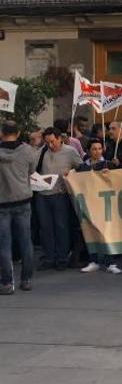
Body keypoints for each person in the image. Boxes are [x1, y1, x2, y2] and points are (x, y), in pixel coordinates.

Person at [34, 127, 82, 271]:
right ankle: (49, 257)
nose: (51, 145)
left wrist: (71, 173)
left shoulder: (70, 152)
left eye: (53, 142)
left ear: (60, 138)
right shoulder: (43, 151)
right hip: (43, 194)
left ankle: (62, 258)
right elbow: (32, 167)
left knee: (61, 227)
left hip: (60, 194)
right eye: (48, 142)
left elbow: (80, 167)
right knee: (45, 228)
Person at [76, 139, 122, 275]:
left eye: (99, 148)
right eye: (94, 149)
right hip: (89, 203)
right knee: (91, 232)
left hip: (106, 204)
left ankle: (110, 262)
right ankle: (94, 261)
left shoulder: (108, 164)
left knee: (107, 233)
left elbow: (119, 180)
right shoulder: (83, 167)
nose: (97, 151)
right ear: (88, 151)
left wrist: (111, 172)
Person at [0, 121, 37, 294]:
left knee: (4, 244)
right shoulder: (27, 150)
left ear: (1, 132)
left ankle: (7, 283)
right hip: (23, 201)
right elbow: (32, 170)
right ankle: (26, 280)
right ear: (19, 132)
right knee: (25, 241)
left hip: (2, 203)